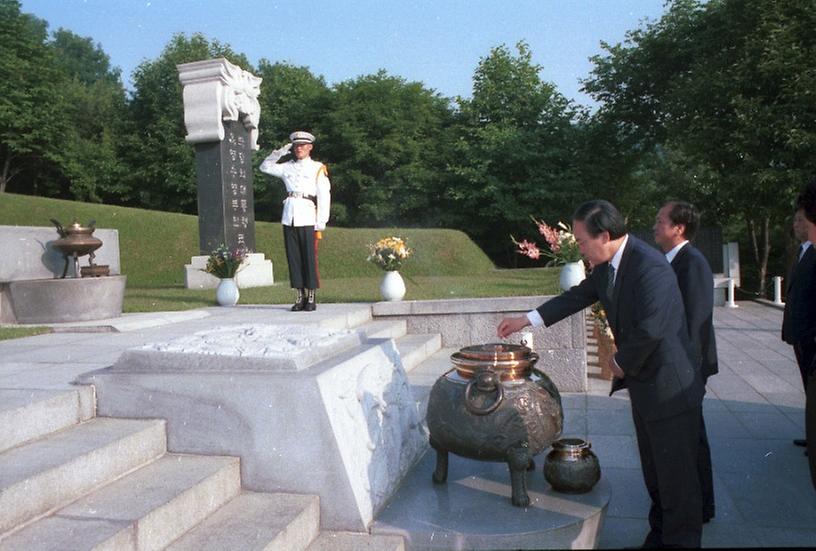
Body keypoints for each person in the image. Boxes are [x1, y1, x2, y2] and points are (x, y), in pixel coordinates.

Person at [498, 200, 705, 548]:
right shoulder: (609, 266)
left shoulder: (648, 265)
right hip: (648, 388)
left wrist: (621, 361)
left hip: (670, 389)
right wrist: (526, 319)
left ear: (604, 235)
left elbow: (652, 328)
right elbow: (577, 296)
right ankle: (660, 539)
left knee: (677, 481)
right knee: (657, 475)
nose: (578, 249)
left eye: (580, 242)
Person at [653, 200, 718, 523]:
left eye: (660, 220)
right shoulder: (670, 261)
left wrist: (685, 373)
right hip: (680, 367)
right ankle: (701, 504)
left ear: (679, 228)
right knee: (691, 438)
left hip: (687, 368)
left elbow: (695, 324)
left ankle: (700, 506)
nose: (654, 225)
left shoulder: (691, 263)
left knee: (691, 439)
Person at [260, 131, 331, 311]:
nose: (299, 149)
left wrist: (321, 220)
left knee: (309, 258)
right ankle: (300, 297)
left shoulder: (317, 167)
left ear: (310, 147)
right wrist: (279, 153)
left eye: (302, 146)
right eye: (296, 146)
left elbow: (324, 195)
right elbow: (265, 167)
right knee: (293, 258)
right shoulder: (287, 166)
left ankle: (312, 297)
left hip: (308, 215)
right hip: (289, 215)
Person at [782, 202, 816, 450]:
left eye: (800, 221)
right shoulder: (802, 251)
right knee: (807, 385)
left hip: (810, 333)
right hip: (800, 332)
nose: (796, 225)